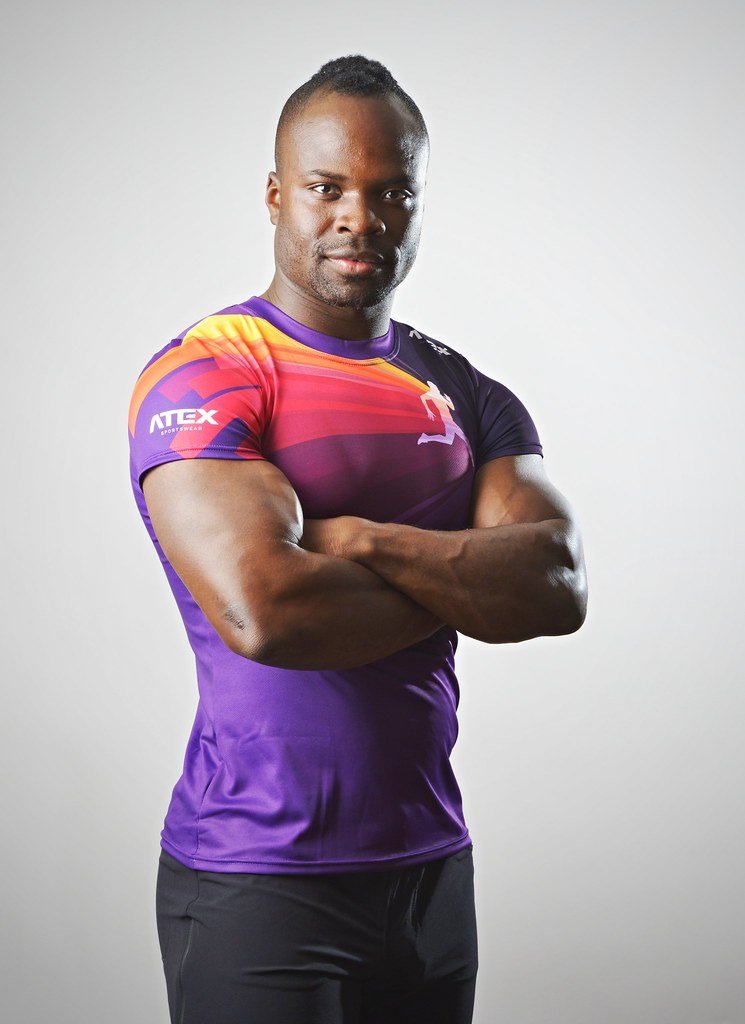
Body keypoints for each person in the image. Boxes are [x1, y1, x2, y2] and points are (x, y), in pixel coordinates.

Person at [127, 53, 587, 1024]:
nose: (359, 217)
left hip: (431, 870)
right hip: (259, 876)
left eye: (392, 192)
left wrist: (365, 542)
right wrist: (466, 578)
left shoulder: (465, 391)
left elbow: (554, 583)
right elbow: (267, 610)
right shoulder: (211, 371)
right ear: (275, 195)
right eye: (326, 187)